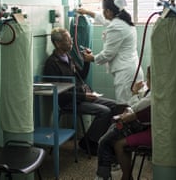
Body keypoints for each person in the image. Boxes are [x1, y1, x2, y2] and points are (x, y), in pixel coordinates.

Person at [43, 27, 119, 155]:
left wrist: (86, 61)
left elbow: (82, 75)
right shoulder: (52, 64)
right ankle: (88, 143)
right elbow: (60, 94)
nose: (71, 41)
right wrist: (83, 97)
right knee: (105, 111)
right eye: (68, 39)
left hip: (81, 96)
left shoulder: (68, 57)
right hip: (69, 101)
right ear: (58, 43)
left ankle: (95, 140)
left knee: (115, 106)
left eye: (70, 38)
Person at [77, 0, 143, 104]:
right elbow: (104, 20)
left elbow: (108, 54)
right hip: (131, 69)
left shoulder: (116, 26)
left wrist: (91, 58)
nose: (103, 12)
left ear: (108, 11)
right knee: (133, 105)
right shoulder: (122, 22)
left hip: (125, 73)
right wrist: (87, 12)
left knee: (125, 106)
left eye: (103, 10)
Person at [94, 66, 152, 180]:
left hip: (137, 125)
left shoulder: (151, 97)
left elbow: (134, 108)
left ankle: (103, 175)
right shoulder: (151, 93)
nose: (146, 82)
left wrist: (135, 94)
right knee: (112, 133)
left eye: (148, 79)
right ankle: (112, 167)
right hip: (137, 123)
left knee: (104, 141)